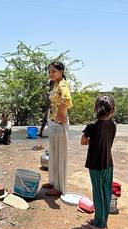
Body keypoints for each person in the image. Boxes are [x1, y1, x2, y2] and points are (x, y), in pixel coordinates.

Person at [81, 96, 116, 229]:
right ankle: (99, 221)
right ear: (112, 110)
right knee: (106, 193)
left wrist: (92, 142)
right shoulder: (113, 124)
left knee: (98, 194)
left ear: (96, 109)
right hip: (108, 163)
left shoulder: (91, 127)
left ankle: (100, 227)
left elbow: (83, 142)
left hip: (96, 165)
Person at [42, 61, 73, 197]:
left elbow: (66, 100)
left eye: (54, 71)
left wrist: (61, 114)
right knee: (53, 154)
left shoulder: (63, 84)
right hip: (53, 121)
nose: (51, 74)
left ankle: (60, 187)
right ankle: (53, 181)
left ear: (61, 71)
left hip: (59, 123)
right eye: (49, 71)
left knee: (60, 156)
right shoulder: (54, 84)